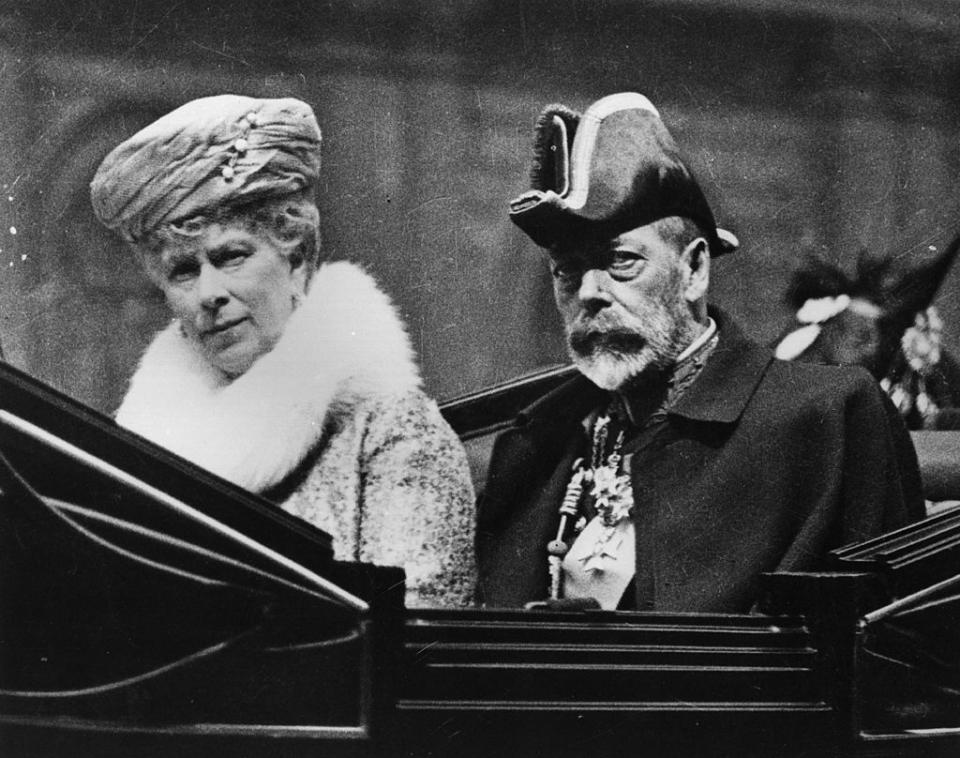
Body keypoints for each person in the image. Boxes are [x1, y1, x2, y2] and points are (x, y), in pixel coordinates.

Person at [477, 92, 925, 613]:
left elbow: (893, 654)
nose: (589, 291)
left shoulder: (826, 419)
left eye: (621, 262)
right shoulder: (533, 447)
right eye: (566, 271)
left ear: (694, 270)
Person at [89, 94, 475, 608]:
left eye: (231, 256)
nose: (208, 294)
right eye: (182, 270)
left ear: (295, 255)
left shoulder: (392, 434)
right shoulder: (140, 456)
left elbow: (411, 649)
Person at [773, 242, 960, 431]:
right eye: (858, 333)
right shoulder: (792, 366)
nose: (869, 341)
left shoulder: (908, 371)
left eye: (874, 332)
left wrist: (933, 365)